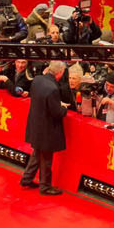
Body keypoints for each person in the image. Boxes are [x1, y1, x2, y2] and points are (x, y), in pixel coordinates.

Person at [22, 60, 68, 195]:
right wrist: (63, 108)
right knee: (46, 159)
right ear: (59, 73)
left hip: (35, 125)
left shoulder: (37, 80)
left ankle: (26, 179)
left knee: (37, 154)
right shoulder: (53, 89)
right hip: (47, 130)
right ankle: (45, 186)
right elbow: (57, 112)